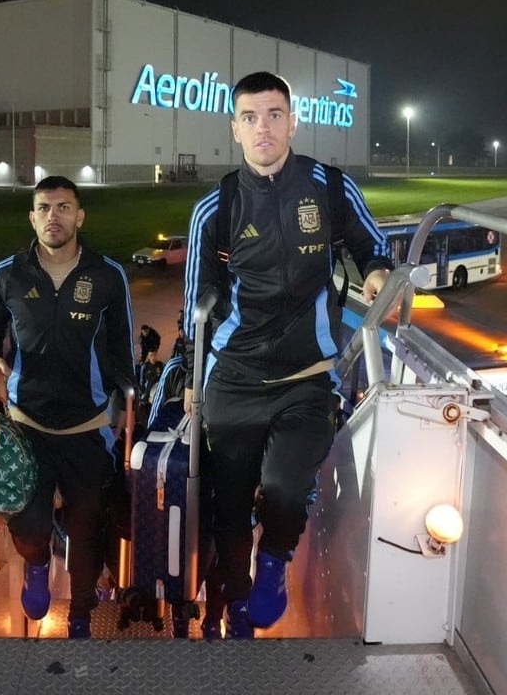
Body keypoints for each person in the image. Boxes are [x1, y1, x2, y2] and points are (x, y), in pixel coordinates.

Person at [182, 71, 393, 639]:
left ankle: (273, 563)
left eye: (274, 114)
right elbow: (196, 309)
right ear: (234, 129)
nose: (263, 128)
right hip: (236, 378)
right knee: (227, 507)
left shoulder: (328, 188)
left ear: (293, 122)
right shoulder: (216, 208)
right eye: (249, 118)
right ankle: (232, 609)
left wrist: (375, 272)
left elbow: (373, 243)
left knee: (284, 485)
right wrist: (192, 380)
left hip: (308, 374)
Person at [0, 175, 134, 639]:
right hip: (28, 426)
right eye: (44, 207)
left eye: (63, 207)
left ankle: (82, 614)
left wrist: (128, 403)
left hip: (89, 429)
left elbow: (123, 346)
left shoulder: (107, 275)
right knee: (29, 524)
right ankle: (38, 564)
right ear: (32, 216)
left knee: (86, 532)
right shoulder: (8, 274)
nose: (53, 216)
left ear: (79, 216)